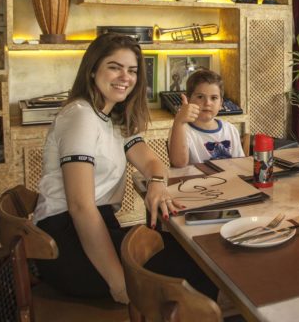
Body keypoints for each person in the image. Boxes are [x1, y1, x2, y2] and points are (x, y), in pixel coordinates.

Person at [32, 33, 216, 303]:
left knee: (192, 251)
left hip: (98, 227)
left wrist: (156, 183)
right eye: (114, 67)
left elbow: (152, 163)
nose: (125, 77)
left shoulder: (113, 116)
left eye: (131, 70)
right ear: (93, 68)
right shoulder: (81, 116)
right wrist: (118, 281)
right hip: (66, 242)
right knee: (198, 266)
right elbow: (80, 207)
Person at [168, 69, 244, 167]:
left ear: (221, 103)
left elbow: (240, 164)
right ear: (188, 99)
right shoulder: (181, 130)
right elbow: (179, 163)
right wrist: (179, 121)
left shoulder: (230, 129)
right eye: (200, 97)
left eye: (214, 98)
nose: (207, 103)